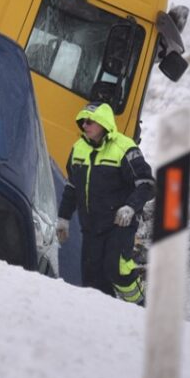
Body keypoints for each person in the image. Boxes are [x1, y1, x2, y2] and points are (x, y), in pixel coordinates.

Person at [56, 100, 155, 304]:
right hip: (91, 227)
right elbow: (71, 187)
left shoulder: (124, 147)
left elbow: (147, 184)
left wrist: (130, 207)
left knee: (117, 269)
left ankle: (140, 306)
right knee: (92, 279)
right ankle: (104, 317)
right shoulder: (78, 150)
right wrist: (63, 218)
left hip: (119, 225)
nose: (85, 126)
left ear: (103, 123)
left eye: (90, 122)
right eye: (83, 122)